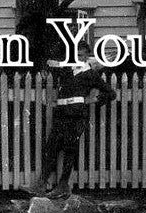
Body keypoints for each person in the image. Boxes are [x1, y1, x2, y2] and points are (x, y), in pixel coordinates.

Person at [40, 45, 116, 199]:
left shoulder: (90, 74)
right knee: (52, 146)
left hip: (77, 116)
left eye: (82, 55)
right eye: (76, 55)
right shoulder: (66, 70)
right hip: (61, 114)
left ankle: (62, 185)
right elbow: (49, 67)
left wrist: (93, 100)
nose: (78, 58)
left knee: (69, 149)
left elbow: (111, 93)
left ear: (87, 57)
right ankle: (41, 184)